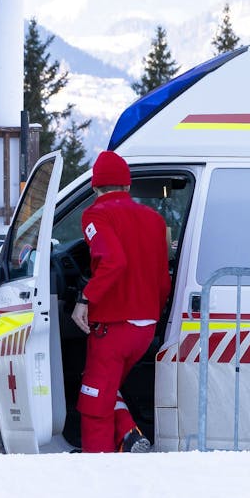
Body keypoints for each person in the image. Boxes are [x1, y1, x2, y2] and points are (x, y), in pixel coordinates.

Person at [72, 150, 168, 453]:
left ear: (94, 187)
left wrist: (85, 298)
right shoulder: (155, 220)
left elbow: (113, 261)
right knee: (107, 387)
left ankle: (99, 469)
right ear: (128, 186)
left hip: (112, 329)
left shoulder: (96, 215)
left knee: (93, 404)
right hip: (145, 329)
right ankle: (128, 433)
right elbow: (163, 279)